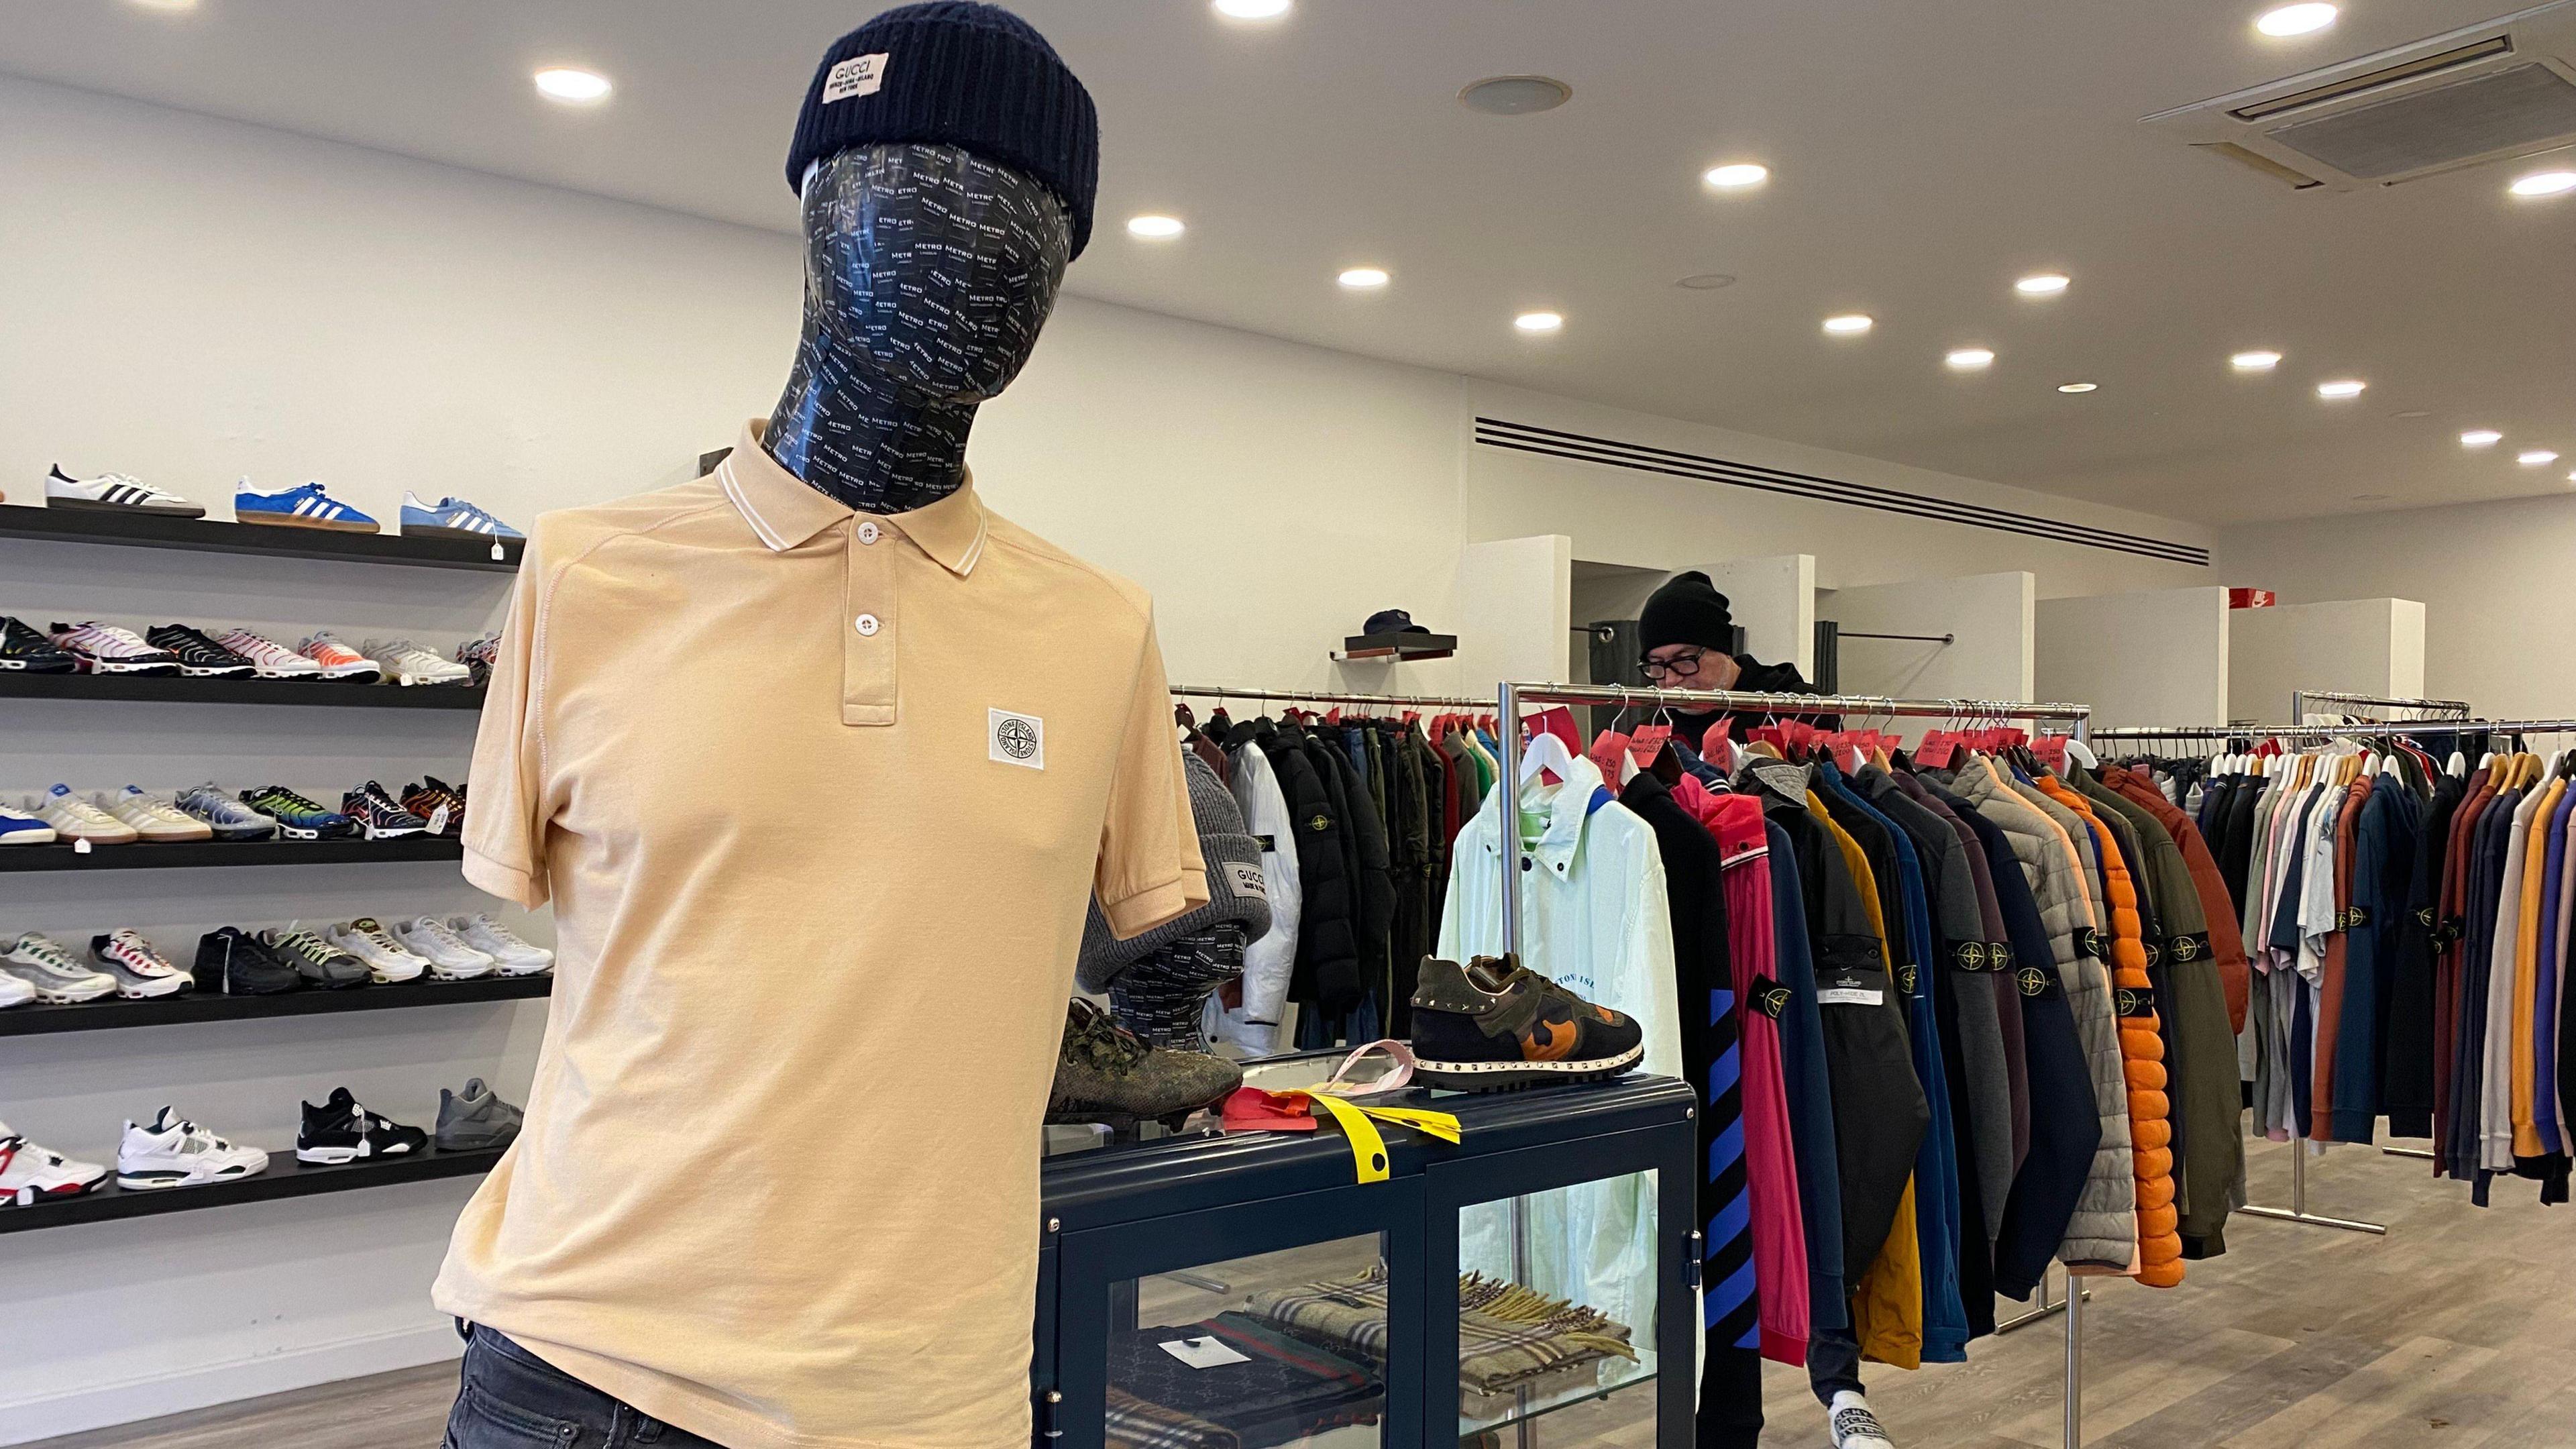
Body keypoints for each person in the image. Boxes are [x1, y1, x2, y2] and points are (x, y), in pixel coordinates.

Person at [1637, 571, 1832, 747]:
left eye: (1684, 660)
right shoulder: (1646, 734)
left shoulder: (1802, 711)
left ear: (1723, 651)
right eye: (1656, 665)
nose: (1670, 680)